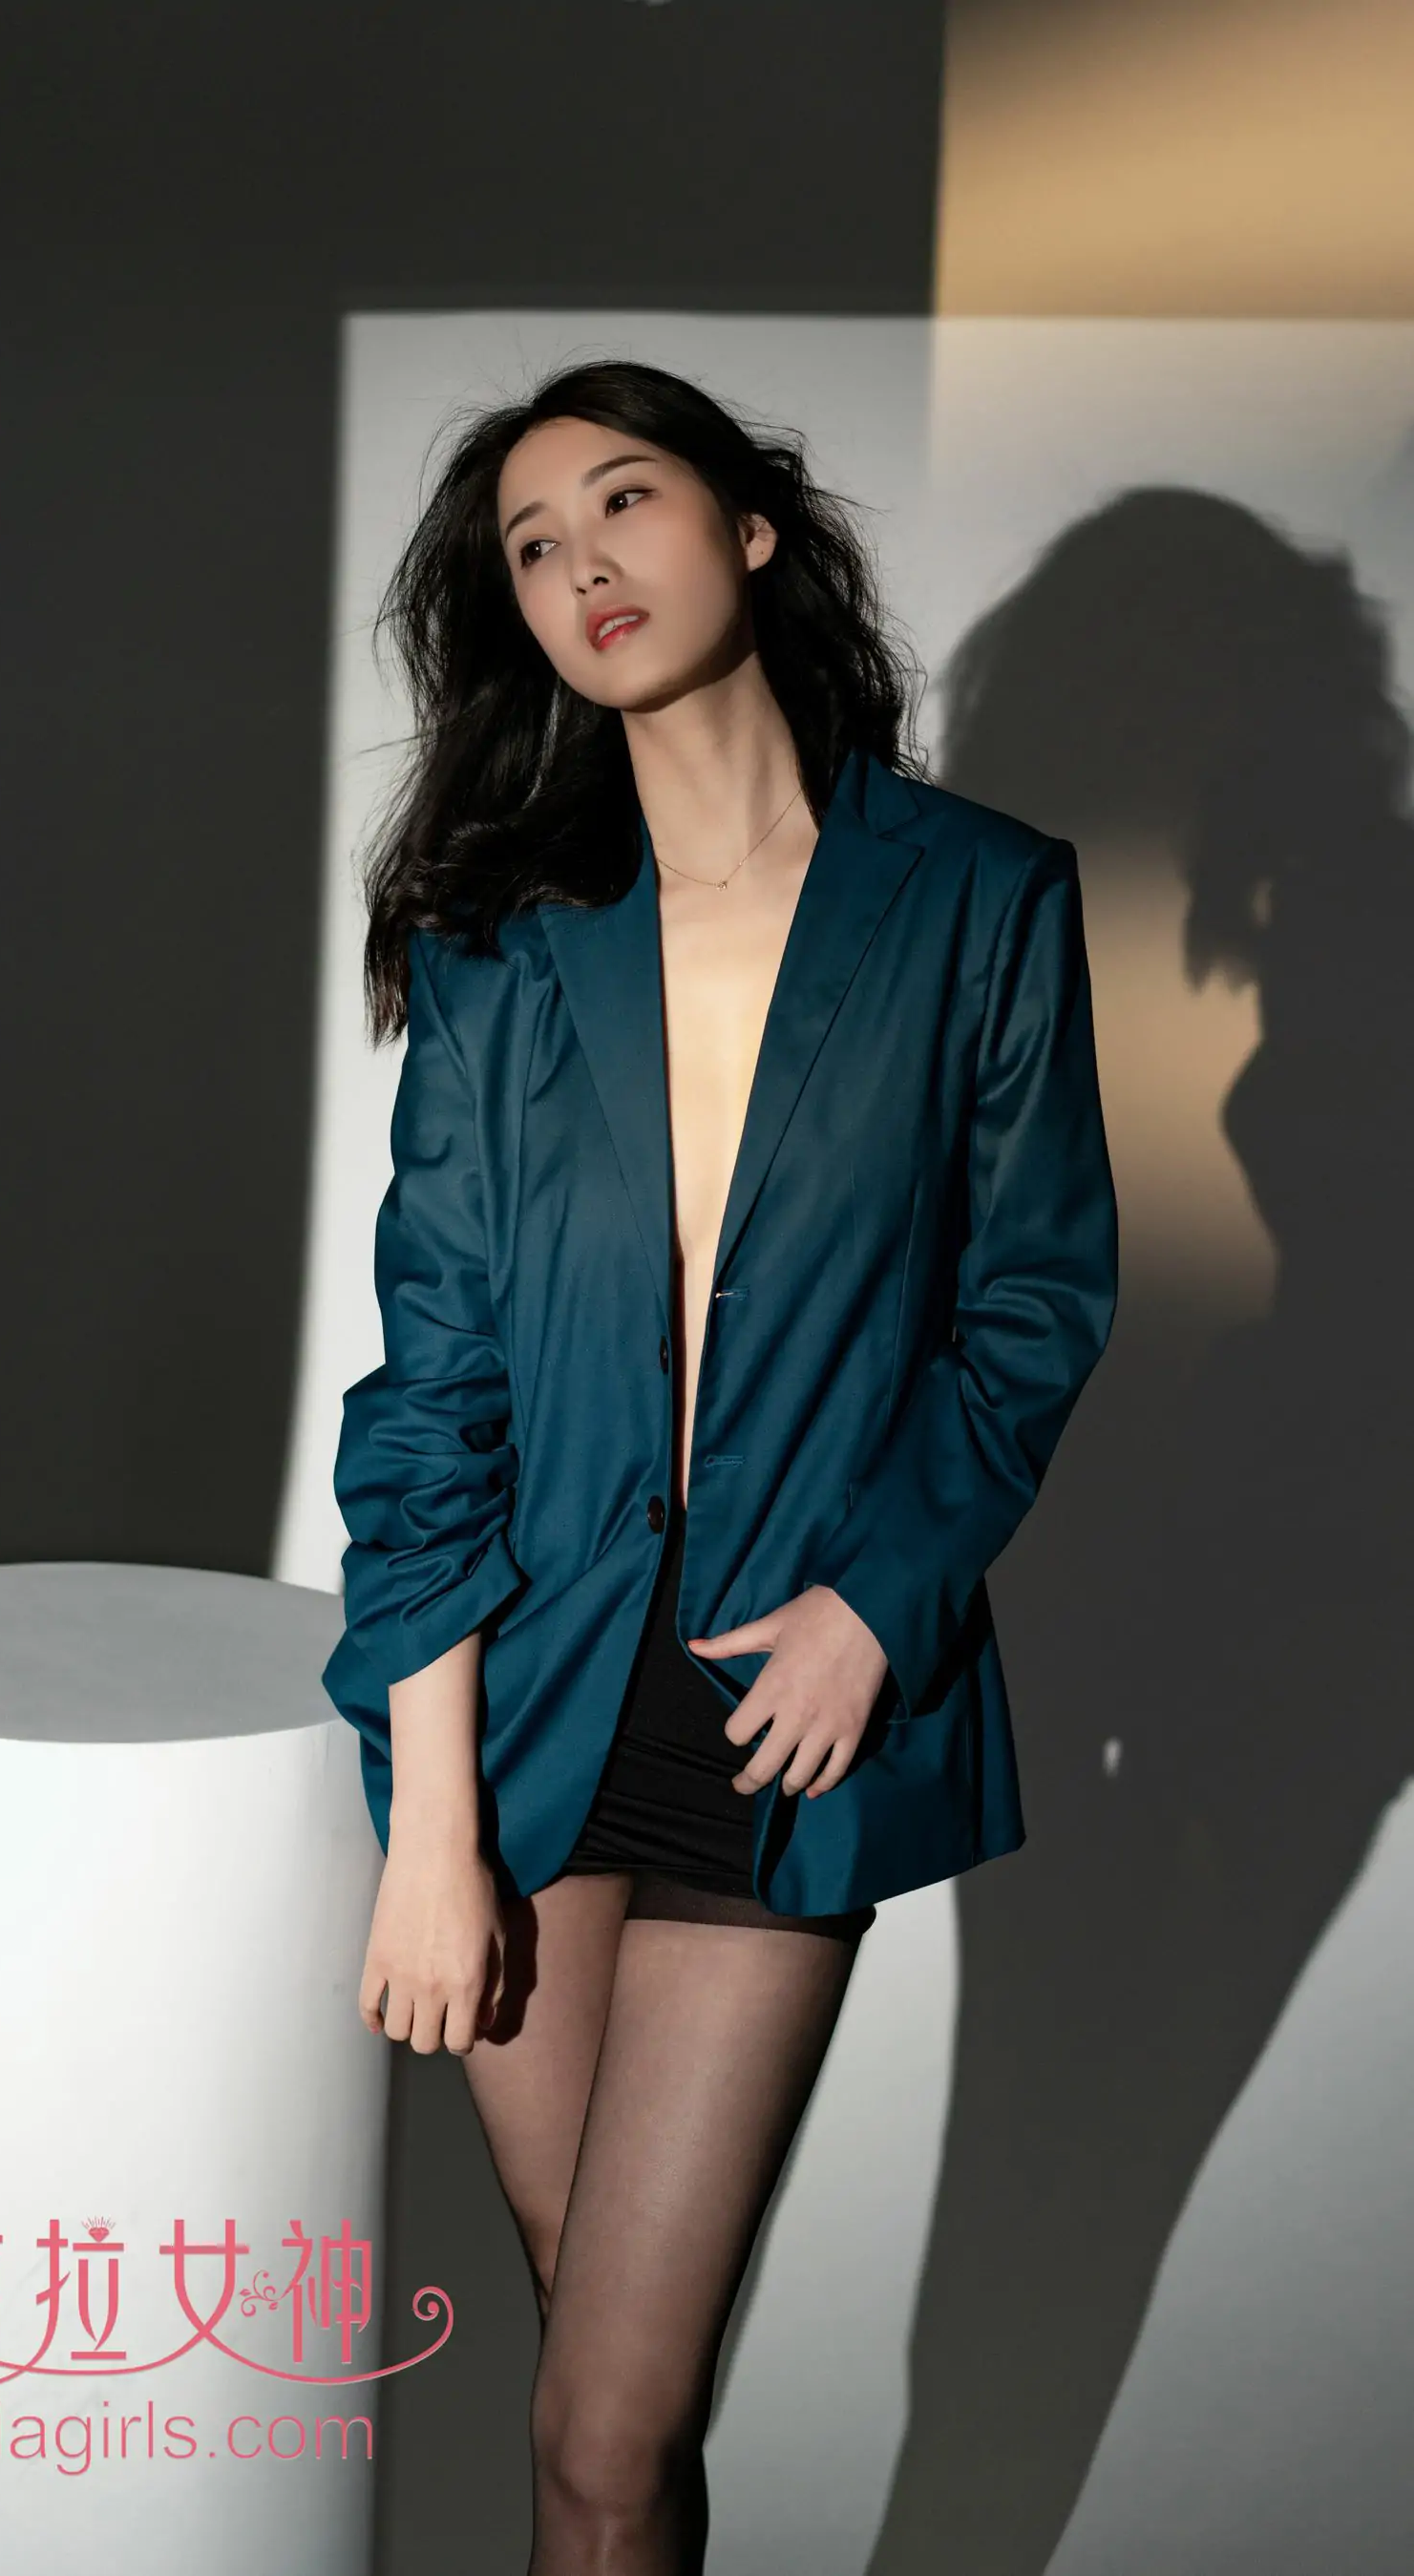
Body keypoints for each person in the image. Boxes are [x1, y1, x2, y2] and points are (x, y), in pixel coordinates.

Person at [320, 356, 1118, 2573]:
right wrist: (435, 1818)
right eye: (531, 546)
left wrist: (885, 1596)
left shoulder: (975, 900)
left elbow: (1031, 1303)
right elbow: (431, 1391)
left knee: (604, 2420)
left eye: (622, 500)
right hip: (529, 1713)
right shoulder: (505, 950)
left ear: (750, 526)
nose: (580, 563)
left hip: (787, 1715)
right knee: (606, 2407)